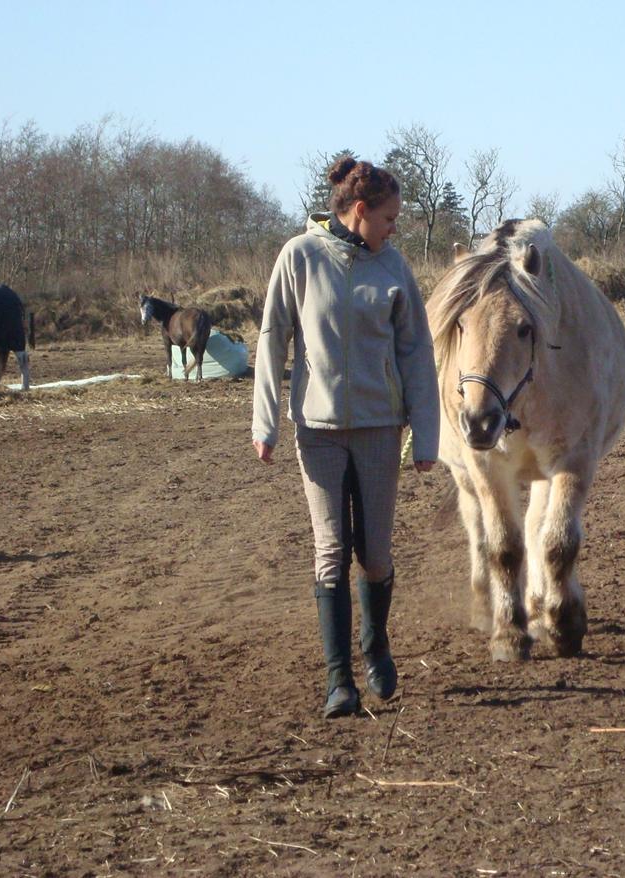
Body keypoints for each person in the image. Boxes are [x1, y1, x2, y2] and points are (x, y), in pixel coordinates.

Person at [252, 157, 439, 719]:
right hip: (319, 431)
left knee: (375, 555)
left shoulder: (394, 268)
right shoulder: (300, 257)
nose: (394, 227)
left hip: (382, 427)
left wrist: (426, 434)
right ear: (360, 211)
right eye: (389, 217)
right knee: (331, 552)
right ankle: (339, 681)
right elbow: (271, 337)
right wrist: (265, 423)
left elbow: (416, 352)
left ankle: (374, 643)